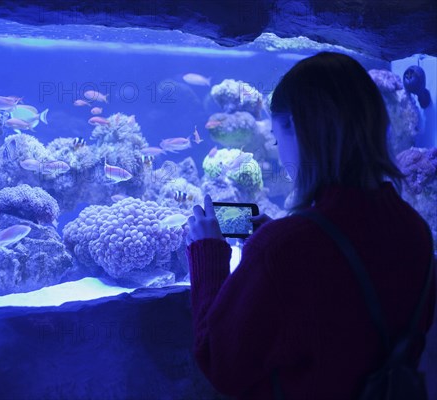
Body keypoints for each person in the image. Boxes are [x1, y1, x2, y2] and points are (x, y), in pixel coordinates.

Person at [186, 52, 435, 399]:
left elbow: (219, 361)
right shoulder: (415, 231)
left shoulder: (283, 250)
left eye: (276, 137)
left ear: (303, 133)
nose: (278, 149)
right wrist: (284, 238)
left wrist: (208, 253)